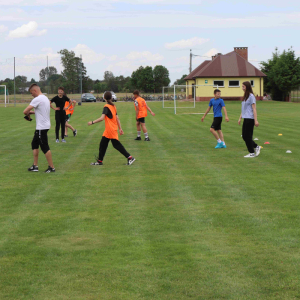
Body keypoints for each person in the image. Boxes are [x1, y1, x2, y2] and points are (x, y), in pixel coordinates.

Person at [88, 91, 135, 166]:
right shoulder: (113, 106)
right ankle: (99, 161)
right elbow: (117, 118)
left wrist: (92, 122)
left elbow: (102, 118)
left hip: (110, 129)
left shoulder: (106, 106)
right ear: (111, 97)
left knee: (116, 145)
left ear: (104, 98)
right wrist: (120, 128)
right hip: (110, 129)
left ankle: (130, 157)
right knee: (103, 144)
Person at [23, 84, 55, 173]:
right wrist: (30, 114)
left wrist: (27, 115)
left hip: (42, 127)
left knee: (44, 146)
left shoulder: (37, 99)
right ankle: (35, 166)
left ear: (35, 91)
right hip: (44, 126)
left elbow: (25, 111)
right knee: (34, 144)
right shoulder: (45, 98)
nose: (31, 95)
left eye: (31, 93)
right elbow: (40, 111)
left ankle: (51, 167)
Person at [238, 81, 260, 158]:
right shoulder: (245, 96)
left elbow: (254, 109)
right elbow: (244, 109)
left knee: (248, 136)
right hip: (245, 118)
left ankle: (252, 152)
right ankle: (256, 146)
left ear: (247, 87)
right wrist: (240, 118)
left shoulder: (251, 96)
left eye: (243, 86)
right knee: (244, 136)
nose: (242, 88)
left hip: (250, 118)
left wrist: (256, 120)